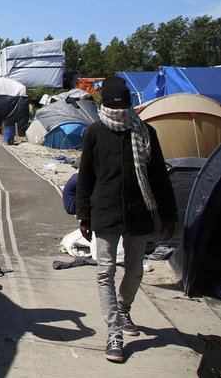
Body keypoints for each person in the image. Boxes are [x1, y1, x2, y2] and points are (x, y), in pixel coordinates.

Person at [76, 75, 176, 363]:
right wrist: (83, 214)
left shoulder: (145, 132)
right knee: (104, 272)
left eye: (123, 102)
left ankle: (124, 307)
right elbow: (86, 177)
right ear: (104, 104)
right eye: (113, 103)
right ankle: (114, 331)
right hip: (105, 213)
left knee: (134, 272)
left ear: (130, 103)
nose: (118, 107)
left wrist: (169, 215)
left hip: (139, 213)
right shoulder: (94, 132)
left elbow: (159, 178)